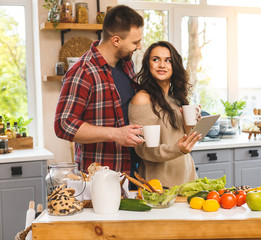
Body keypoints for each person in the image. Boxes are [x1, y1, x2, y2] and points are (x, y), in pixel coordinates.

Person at [54, 5, 145, 174]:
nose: (139, 47)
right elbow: (63, 125)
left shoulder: (126, 64)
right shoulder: (83, 72)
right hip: (102, 176)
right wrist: (115, 134)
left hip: (132, 171)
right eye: (135, 42)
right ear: (116, 40)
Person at [128, 41, 202, 187]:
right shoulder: (142, 99)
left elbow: (180, 138)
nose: (162, 65)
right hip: (159, 184)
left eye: (168, 60)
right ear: (148, 64)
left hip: (187, 178)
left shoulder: (176, 99)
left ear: (174, 65)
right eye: (156, 59)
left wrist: (189, 127)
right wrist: (178, 149)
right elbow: (143, 150)